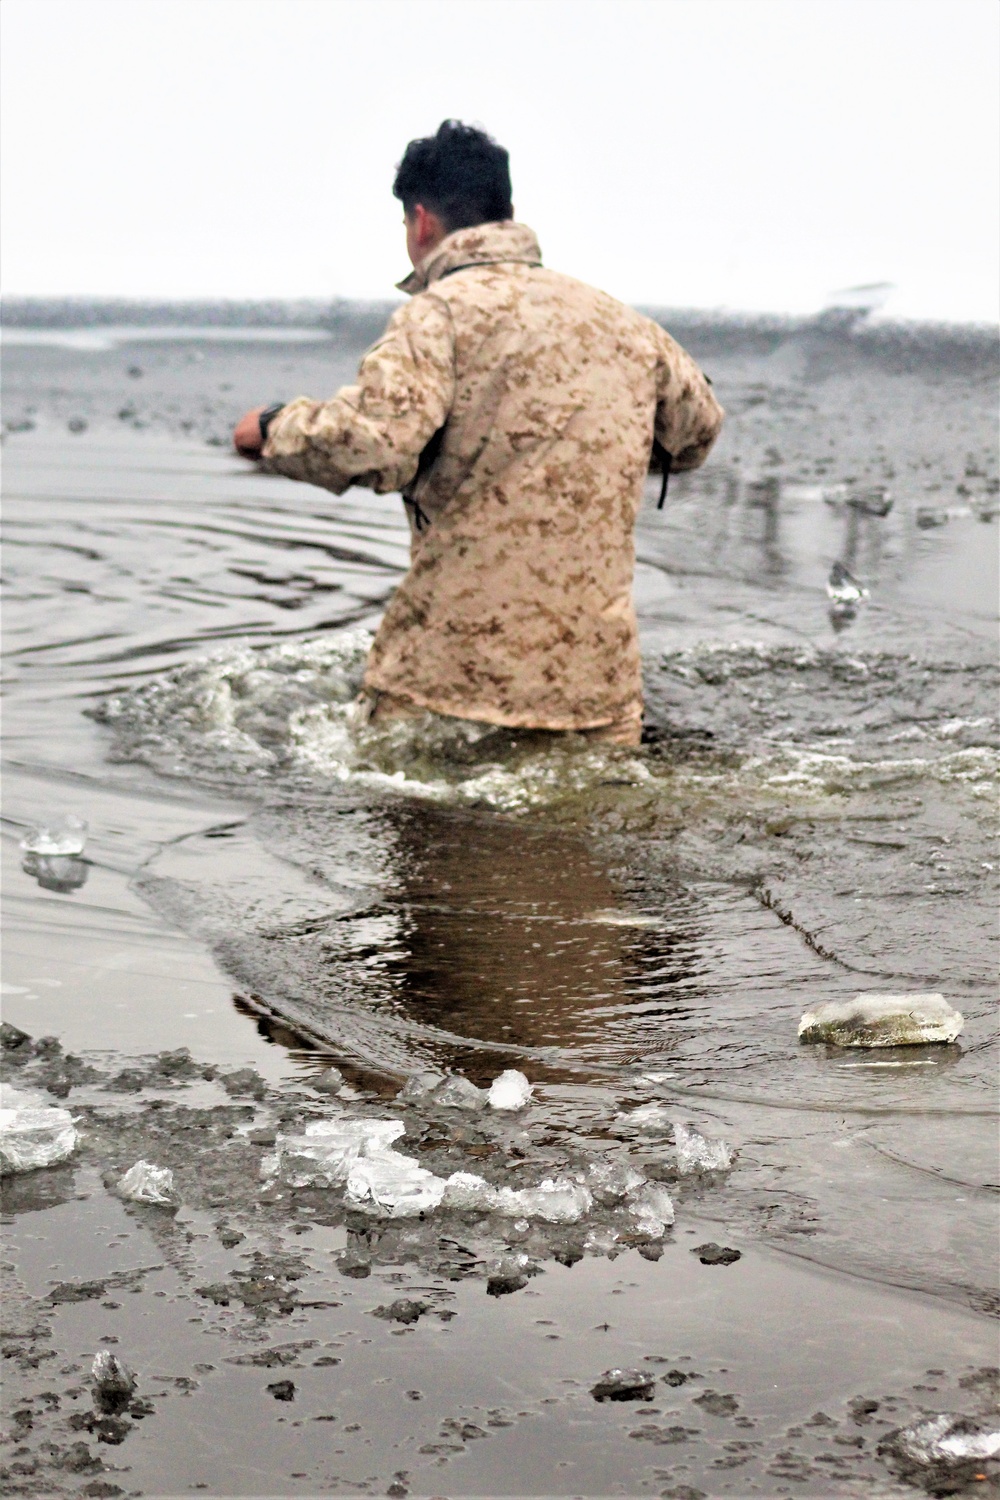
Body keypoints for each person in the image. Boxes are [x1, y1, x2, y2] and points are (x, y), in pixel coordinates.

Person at [233, 120, 723, 746]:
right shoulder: (621, 320)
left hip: (450, 680)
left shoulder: (438, 314)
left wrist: (275, 429)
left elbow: (374, 439)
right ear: (509, 212)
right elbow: (697, 432)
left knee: (409, 824)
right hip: (595, 690)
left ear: (421, 223)